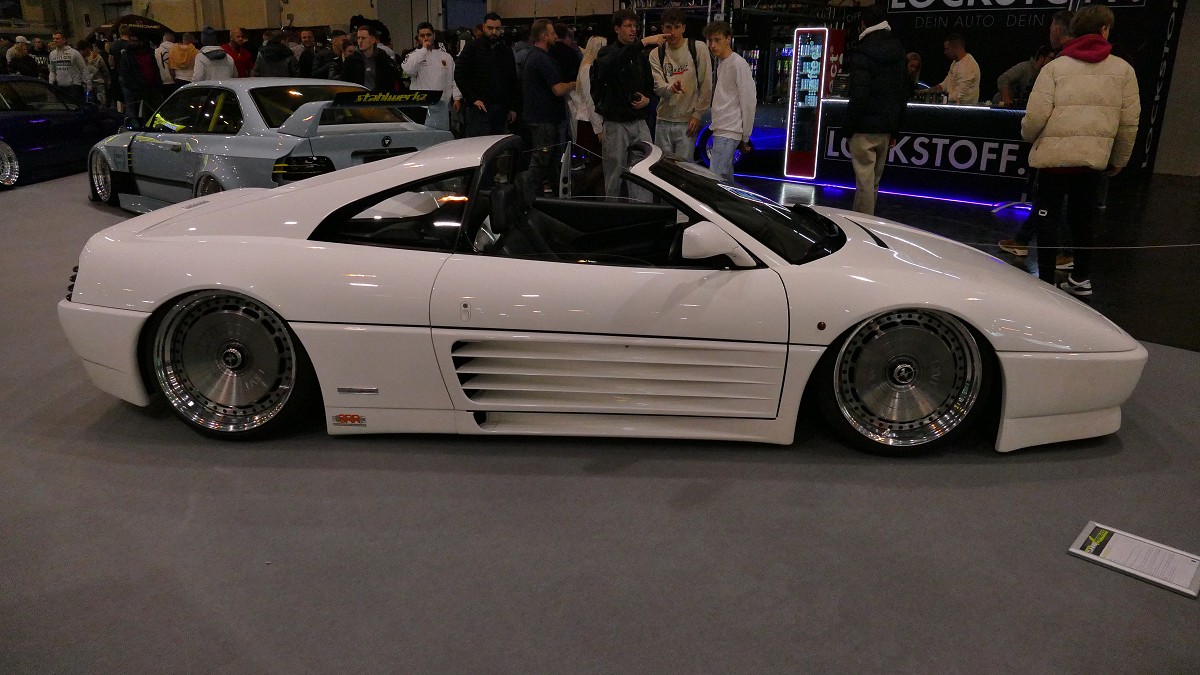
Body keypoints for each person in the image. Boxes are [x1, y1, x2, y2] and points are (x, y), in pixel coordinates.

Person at [1021, 5, 1139, 297]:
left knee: (1047, 218)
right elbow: (1129, 123)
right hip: (1091, 162)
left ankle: (1045, 282)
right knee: (1082, 219)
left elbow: (1035, 117)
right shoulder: (1123, 70)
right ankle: (1081, 278)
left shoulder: (1054, 68)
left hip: (1053, 161)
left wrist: (1029, 138)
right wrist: (1119, 159)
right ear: (1104, 30)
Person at [845, 6, 908, 216]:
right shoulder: (899, 50)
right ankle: (864, 221)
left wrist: (849, 127)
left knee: (864, 182)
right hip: (886, 127)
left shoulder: (863, 52)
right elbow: (902, 93)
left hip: (864, 126)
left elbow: (859, 94)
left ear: (863, 24)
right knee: (873, 183)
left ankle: (862, 224)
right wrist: (895, 129)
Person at [594, 10, 663, 197]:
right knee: (614, 175)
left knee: (644, 173)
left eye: (635, 26)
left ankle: (642, 210)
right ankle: (613, 210)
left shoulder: (640, 57)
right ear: (617, 29)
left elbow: (649, 86)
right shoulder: (606, 53)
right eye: (628, 26)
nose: (633, 30)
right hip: (616, 123)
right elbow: (612, 64)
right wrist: (643, 42)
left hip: (639, 121)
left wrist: (647, 100)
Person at [649, 8, 712, 161]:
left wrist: (697, 115)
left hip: (687, 122)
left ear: (683, 28)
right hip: (663, 120)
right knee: (662, 168)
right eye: (668, 27)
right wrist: (670, 88)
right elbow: (658, 86)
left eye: (677, 27)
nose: (673, 32)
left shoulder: (698, 48)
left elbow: (706, 85)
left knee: (683, 169)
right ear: (662, 28)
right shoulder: (656, 53)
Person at [522, 19, 575, 197]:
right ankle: (525, 197)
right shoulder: (542, 59)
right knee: (540, 162)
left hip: (538, 118)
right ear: (544, 36)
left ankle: (551, 199)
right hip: (544, 120)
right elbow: (558, 89)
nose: (555, 36)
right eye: (552, 33)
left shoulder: (531, 56)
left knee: (550, 162)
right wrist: (574, 84)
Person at [704, 21, 756, 183]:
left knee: (716, 179)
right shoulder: (724, 64)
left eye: (717, 40)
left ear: (728, 39)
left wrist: (745, 136)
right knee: (724, 178)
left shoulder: (738, 64)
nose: (712, 45)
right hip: (723, 130)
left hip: (728, 130)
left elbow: (749, 101)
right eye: (710, 40)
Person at [455, 12, 519, 137]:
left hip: (500, 109)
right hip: (478, 109)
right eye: (490, 28)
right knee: (478, 144)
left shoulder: (506, 51)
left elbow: (512, 80)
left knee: (498, 144)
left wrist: (513, 107)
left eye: (497, 28)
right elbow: (459, 74)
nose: (494, 32)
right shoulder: (472, 48)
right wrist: (473, 99)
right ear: (483, 27)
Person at [401, 23, 462, 131]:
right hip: (421, 106)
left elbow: (453, 78)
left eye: (428, 35)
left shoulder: (446, 56)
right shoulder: (413, 55)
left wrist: (457, 97)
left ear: (434, 35)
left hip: (442, 105)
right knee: (421, 136)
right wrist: (423, 50)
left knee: (441, 136)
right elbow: (408, 70)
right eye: (422, 35)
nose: (426, 38)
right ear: (418, 37)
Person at [572, 36, 607, 195]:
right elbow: (590, 99)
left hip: (592, 121)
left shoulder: (592, 67)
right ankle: (585, 191)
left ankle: (594, 193)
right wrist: (598, 128)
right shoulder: (588, 68)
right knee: (597, 162)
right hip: (590, 122)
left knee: (598, 162)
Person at [920, 33, 979, 104]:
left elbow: (959, 96)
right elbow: (947, 82)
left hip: (964, 109)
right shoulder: (955, 62)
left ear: (956, 48)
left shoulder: (968, 67)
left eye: (947, 49)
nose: (945, 52)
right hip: (954, 107)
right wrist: (935, 89)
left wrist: (937, 98)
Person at [118, 33, 162, 123]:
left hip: (151, 87)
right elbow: (126, 73)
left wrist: (157, 84)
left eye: (136, 41)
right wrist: (135, 86)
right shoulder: (127, 55)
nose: (133, 43)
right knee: (138, 112)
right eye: (132, 41)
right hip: (138, 89)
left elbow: (155, 69)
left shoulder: (149, 53)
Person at [340, 26, 398, 92]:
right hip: (357, 96)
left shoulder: (383, 59)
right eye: (358, 38)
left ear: (373, 40)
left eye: (363, 38)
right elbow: (345, 82)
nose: (360, 41)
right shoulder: (350, 61)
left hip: (379, 96)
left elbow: (390, 82)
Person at [47, 32, 91, 102]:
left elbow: (83, 69)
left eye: (57, 39)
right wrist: (50, 83)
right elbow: (52, 71)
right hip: (61, 86)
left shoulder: (74, 53)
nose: (55, 40)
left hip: (74, 86)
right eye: (54, 39)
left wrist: (88, 84)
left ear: (64, 40)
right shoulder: (52, 54)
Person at [79, 41, 111, 107]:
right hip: (86, 85)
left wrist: (108, 82)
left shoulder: (97, 57)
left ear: (88, 48)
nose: (82, 52)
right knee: (89, 104)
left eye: (83, 50)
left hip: (98, 83)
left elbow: (105, 71)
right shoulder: (79, 59)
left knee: (102, 103)